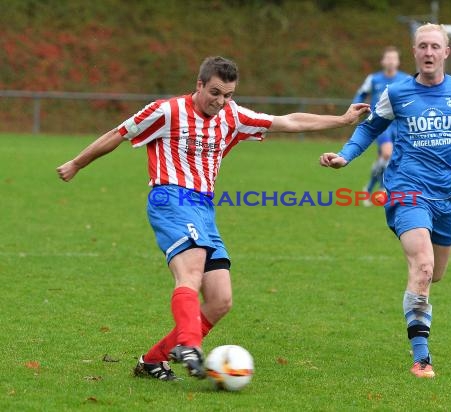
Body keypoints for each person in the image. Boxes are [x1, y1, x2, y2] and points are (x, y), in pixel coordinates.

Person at [57, 56, 369, 381]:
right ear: (200, 84)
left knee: (220, 300)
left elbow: (287, 121)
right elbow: (119, 134)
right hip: (171, 198)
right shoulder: (167, 111)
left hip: (204, 208)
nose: (220, 102)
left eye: (228, 95)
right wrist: (78, 163)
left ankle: (153, 360)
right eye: (215, 93)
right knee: (189, 274)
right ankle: (189, 345)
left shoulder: (232, 115)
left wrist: (342, 120)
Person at [319, 24, 451, 378]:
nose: (428, 52)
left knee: (436, 274)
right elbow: (369, 127)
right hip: (405, 189)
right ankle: (422, 358)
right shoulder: (397, 92)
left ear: (446, 52)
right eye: (422, 46)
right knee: (424, 266)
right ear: (414, 52)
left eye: (435, 46)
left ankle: (419, 300)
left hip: (444, 195)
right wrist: (345, 155)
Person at [352, 47, 409, 205]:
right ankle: (383, 189)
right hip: (380, 124)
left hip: (399, 124)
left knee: (388, 158)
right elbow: (361, 94)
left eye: (394, 58)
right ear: (383, 61)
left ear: (398, 62)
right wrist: (356, 108)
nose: (391, 61)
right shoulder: (374, 79)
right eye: (388, 58)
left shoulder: (406, 79)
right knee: (387, 153)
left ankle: (369, 189)